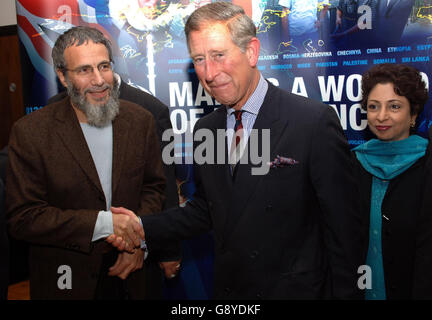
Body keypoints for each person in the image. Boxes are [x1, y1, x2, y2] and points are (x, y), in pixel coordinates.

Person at [109, 2, 364, 299]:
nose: (209, 72)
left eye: (219, 55)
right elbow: (207, 209)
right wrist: (140, 226)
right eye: (199, 59)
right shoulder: (207, 129)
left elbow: (345, 233)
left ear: (252, 52)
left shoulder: (312, 122)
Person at [6, 26, 167, 300]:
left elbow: (153, 188)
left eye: (103, 66)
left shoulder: (141, 120)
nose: (99, 80)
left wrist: (138, 242)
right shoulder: (31, 132)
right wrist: (105, 224)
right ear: (62, 77)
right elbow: (24, 217)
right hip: (66, 277)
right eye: (84, 70)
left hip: (132, 273)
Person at [48, 73, 182, 286]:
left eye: (101, 64)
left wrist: (158, 247)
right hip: (75, 255)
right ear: (63, 76)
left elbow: (161, 184)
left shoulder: (150, 109)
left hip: (133, 255)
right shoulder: (55, 108)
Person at [352, 63, 431, 299]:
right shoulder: (352, 163)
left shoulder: (426, 164)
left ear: (413, 114)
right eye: (374, 107)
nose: (381, 116)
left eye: (394, 106)